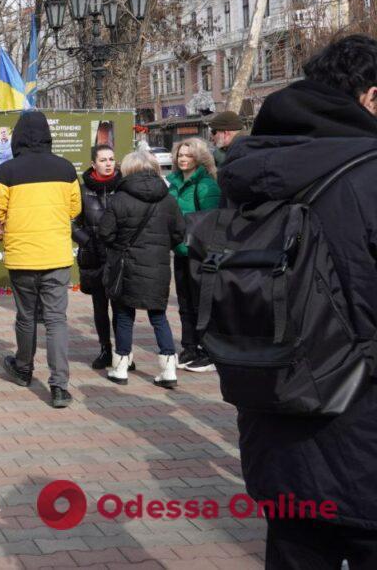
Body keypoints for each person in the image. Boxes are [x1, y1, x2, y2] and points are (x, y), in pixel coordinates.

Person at [218, 35, 377, 567]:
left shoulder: (249, 176)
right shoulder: (370, 175)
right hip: (363, 433)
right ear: (371, 99)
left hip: (274, 421)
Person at [0, 110, 81, 409]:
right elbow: (74, 209)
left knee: (26, 316)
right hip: (56, 255)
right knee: (56, 320)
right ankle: (60, 387)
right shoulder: (65, 169)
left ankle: (24, 369)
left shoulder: (7, 171)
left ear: (16, 137)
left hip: (22, 255)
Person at [98, 151, 185, 388]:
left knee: (125, 316)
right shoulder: (168, 199)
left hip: (126, 266)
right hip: (158, 266)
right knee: (159, 316)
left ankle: (121, 367)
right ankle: (168, 370)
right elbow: (179, 233)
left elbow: (105, 233)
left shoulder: (119, 199)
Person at [166, 137, 221, 373]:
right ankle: (189, 346)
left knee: (201, 302)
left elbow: (211, 221)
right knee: (185, 302)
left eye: (188, 155)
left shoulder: (206, 184)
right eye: (180, 155)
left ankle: (208, 350)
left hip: (199, 253)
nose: (183, 159)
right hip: (180, 250)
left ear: (199, 158)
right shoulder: (174, 181)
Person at [72, 144, 123, 370]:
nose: (108, 163)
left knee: (122, 308)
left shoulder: (123, 187)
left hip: (119, 256)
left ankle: (124, 353)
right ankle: (105, 349)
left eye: (111, 159)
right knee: (100, 307)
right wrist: (87, 241)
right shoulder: (82, 190)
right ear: (94, 164)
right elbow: (71, 222)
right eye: (103, 160)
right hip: (93, 256)